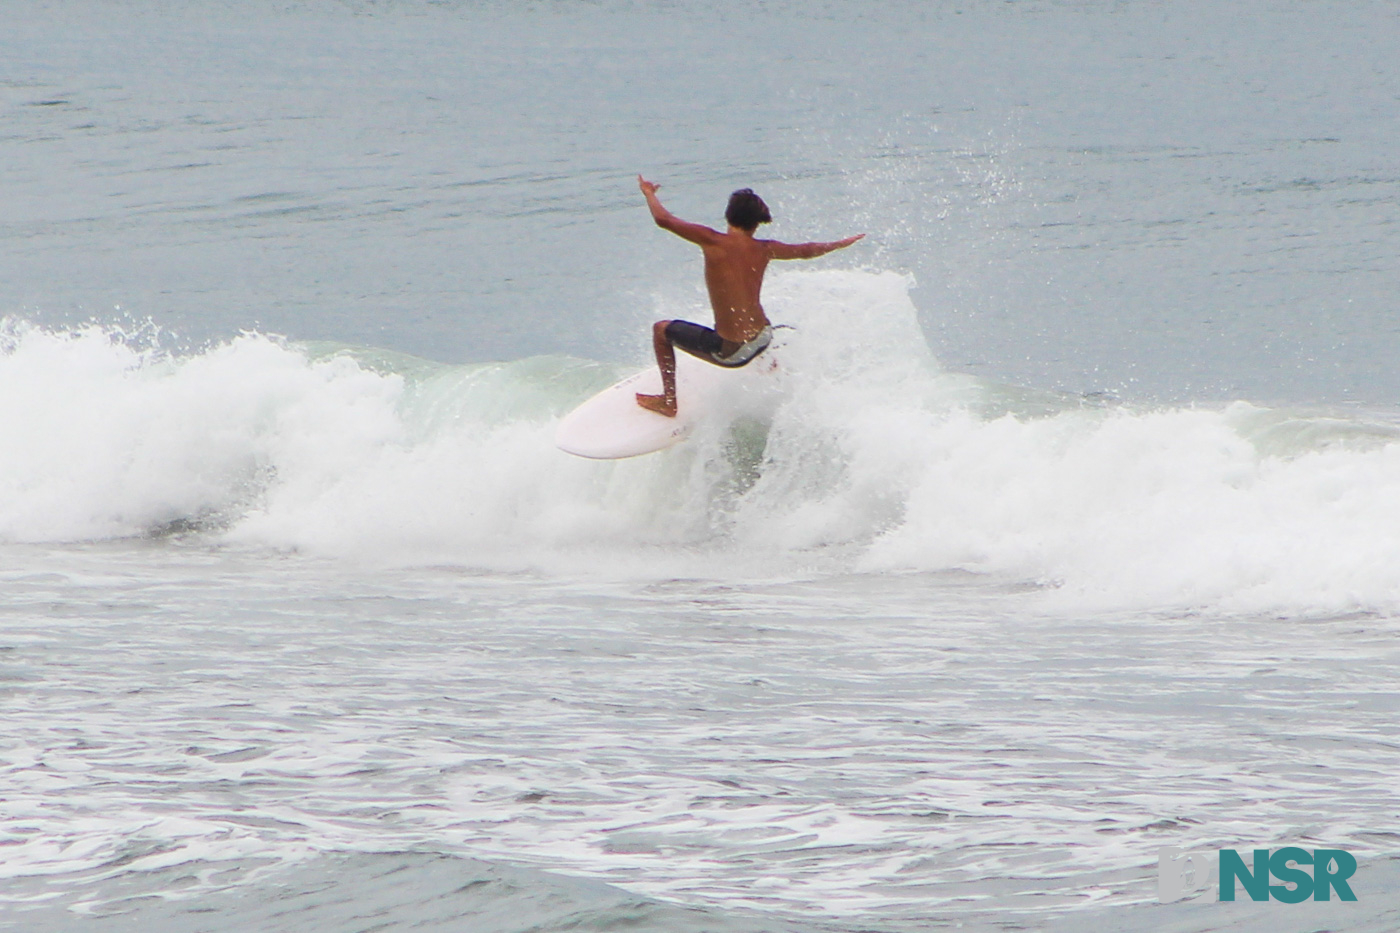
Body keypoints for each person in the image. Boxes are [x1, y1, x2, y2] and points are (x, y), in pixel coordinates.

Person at [634, 175, 863, 417]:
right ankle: (769, 365)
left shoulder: (712, 241)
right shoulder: (766, 249)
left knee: (661, 330)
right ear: (756, 224)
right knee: (749, 322)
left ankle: (669, 402)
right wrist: (839, 244)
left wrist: (649, 193)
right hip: (764, 337)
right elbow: (807, 250)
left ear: (728, 215)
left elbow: (663, 219)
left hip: (731, 352)